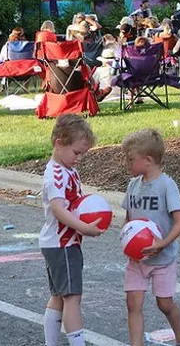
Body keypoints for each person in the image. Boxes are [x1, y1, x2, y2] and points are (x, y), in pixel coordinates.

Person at [120, 129, 180, 346]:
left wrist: (163, 243)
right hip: (137, 259)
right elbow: (129, 219)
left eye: (130, 159)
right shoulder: (132, 185)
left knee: (165, 304)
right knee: (133, 304)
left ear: (148, 160)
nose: (127, 164)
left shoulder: (166, 185)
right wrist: (127, 240)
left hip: (163, 259)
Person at [39, 115, 102, 346]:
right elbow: (58, 209)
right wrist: (84, 227)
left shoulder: (67, 169)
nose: (79, 158)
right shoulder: (56, 174)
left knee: (58, 297)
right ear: (58, 142)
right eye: (76, 152)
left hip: (60, 244)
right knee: (72, 298)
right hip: (62, 244)